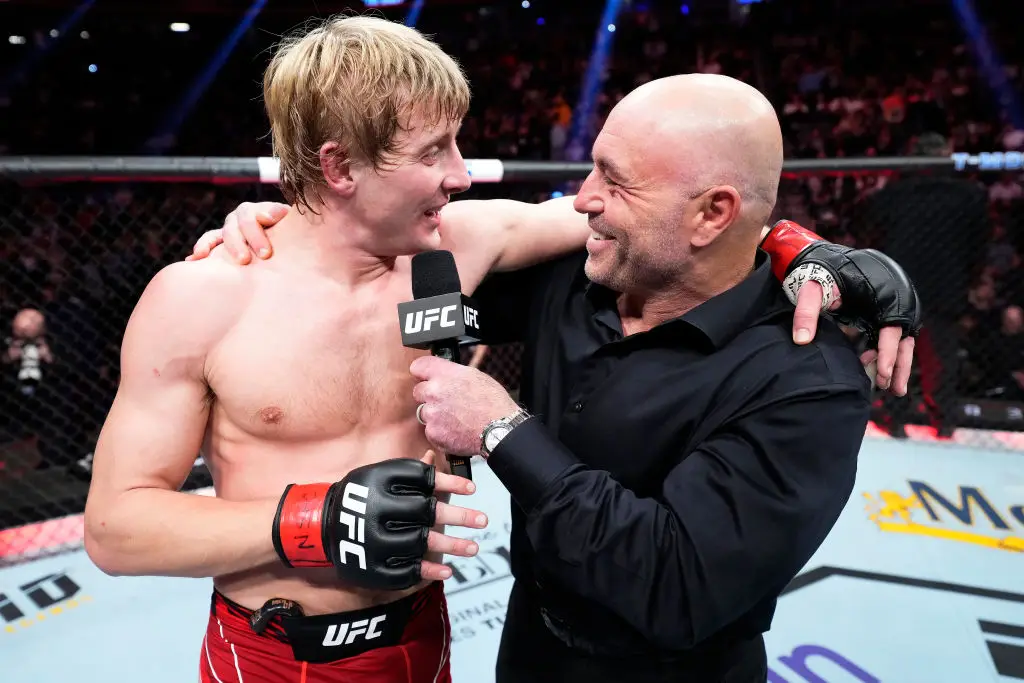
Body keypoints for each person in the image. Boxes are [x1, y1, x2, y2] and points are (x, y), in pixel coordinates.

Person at [190, 66, 922, 683]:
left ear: (711, 215)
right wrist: (293, 225)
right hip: (529, 649)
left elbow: (674, 585)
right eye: (593, 166)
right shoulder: (575, 275)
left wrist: (504, 430)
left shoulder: (806, 375)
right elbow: (406, 280)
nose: (584, 198)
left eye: (616, 180)